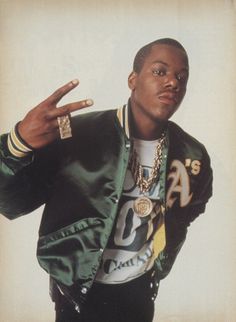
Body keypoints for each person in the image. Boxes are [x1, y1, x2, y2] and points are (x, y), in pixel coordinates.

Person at [0, 38, 213, 322]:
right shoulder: (76, 133)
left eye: (181, 77)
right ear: (132, 80)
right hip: (78, 295)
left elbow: (192, 205)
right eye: (160, 72)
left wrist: (161, 257)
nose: (173, 82)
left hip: (140, 292)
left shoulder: (191, 152)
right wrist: (18, 144)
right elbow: (11, 203)